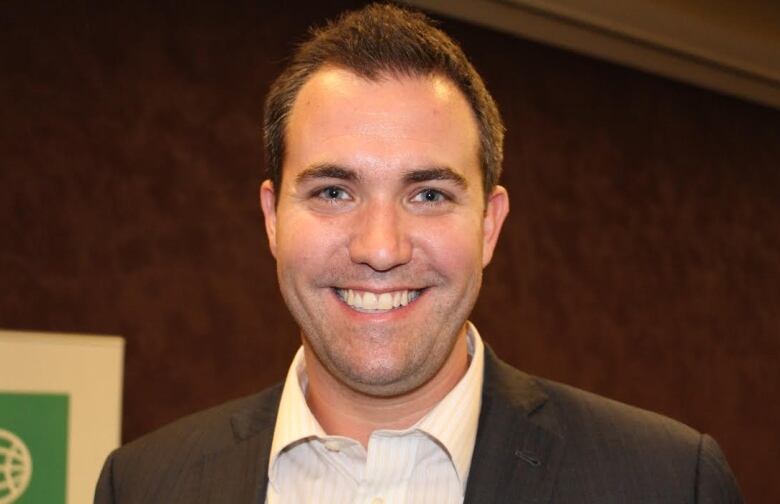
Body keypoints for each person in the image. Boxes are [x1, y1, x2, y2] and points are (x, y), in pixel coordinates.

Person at [95, 4, 742, 503]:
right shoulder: (147, 485)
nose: (381, 248)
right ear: (272, 219)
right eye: (333, 190)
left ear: (488, 225)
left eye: (428, 193)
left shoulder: (663, 482)